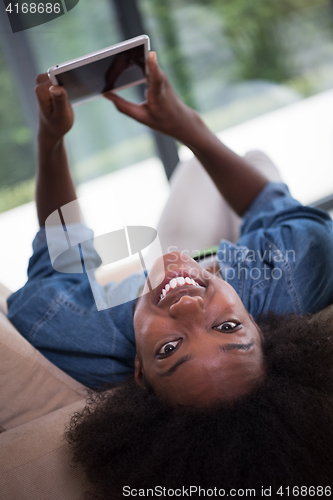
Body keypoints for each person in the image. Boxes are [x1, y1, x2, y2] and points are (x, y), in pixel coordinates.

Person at [5, 51, 333, 496]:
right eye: (227, 326)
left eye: (170, 348)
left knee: (202, 176)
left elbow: (61, 253)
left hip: (171, 260)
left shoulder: (76, 329)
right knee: (254, 163)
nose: (188, 308)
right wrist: (184, 125)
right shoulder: (291, 273)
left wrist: (51, 140)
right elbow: (274, 204)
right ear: (261, 327)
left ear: (138, 372)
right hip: (228, 262)